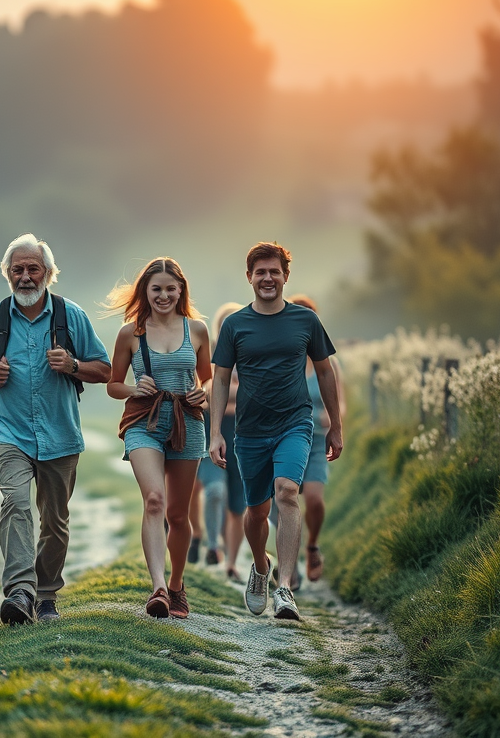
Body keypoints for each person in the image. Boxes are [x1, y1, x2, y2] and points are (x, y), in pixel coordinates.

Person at [0, 234, 111, 625]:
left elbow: (105, 370)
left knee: (55, 522)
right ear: (8, 274)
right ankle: (20, 592)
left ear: (48, 274)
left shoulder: (70, 316)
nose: (25, 277)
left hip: (60, 434)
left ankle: (45, 596)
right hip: (9, 433)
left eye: (33, 269)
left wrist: (73, 365)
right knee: (17, 503)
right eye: (17, 270)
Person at [209, 242, 343, 622]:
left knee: (287, 491)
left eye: (275, 271)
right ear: (249, 277)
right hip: (249, 430)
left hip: (295, 423)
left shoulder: (306, 321)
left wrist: (335, 424)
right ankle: (260, 568)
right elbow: (219, 380)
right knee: (256, 510)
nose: (268, 278)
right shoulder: (236, 325)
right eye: (260, 272)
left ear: (286, 276)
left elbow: (325, 371)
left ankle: (284, 588)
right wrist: (216, 432)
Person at [104, 257, 212, 619]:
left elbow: (209, 378)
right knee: (154, 500)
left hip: (187, 422)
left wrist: (204, 392)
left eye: (170, 288)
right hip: (143, 423)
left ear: (180, 290)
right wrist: (134, 388)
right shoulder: (130, 333)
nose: (163, 295)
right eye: (156, 289)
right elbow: (113, 385)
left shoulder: (196, 330)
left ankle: (178, 586)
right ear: (145, 292)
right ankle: (158, 588)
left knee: (178, 515)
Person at [267, 294, 347, 587]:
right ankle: (291, 566)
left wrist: (333, 421)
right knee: (283, 498)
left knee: (313, 500)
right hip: (284, 435)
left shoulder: (327, 362)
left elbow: (341, 403)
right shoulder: (282, 358)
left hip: (315, 440)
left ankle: (312, 545)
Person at [190, 302, 246, 583]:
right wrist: (228, 395)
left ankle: (233, 563)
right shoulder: (209, 355)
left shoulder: (251, 355)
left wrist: (223, 394)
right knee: (213, 491)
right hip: (212, 433)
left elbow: (253, 393)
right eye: (224, 325)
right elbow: (205, 391)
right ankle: (213, 545)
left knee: (238, 507)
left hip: (245, 437)